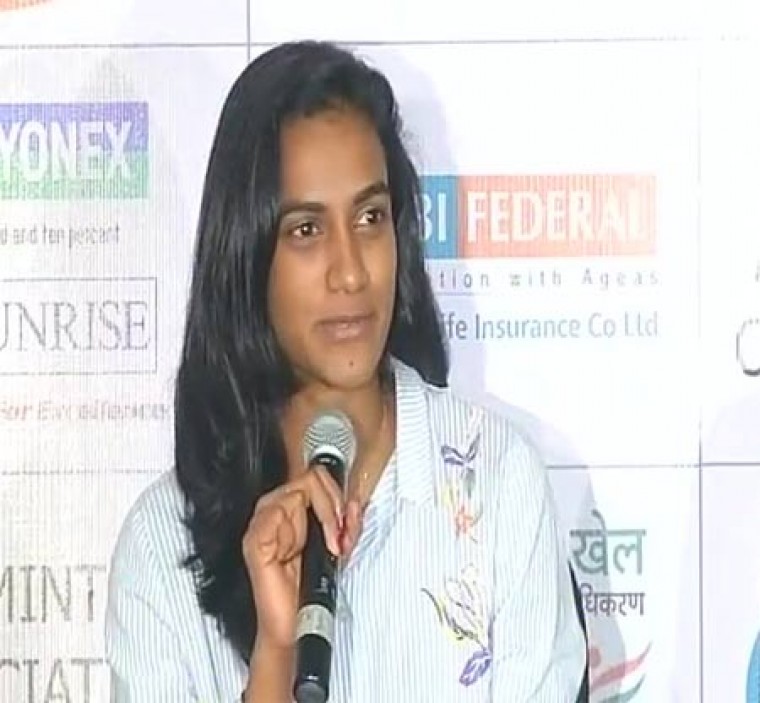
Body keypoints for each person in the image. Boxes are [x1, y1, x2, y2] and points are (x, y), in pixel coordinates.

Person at [104, 40, 587, 702]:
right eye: (306, 230)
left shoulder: (497, 482)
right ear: (247, 255)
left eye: (369, 218)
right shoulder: (162, 545)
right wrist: (276, 656)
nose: (352, 272)